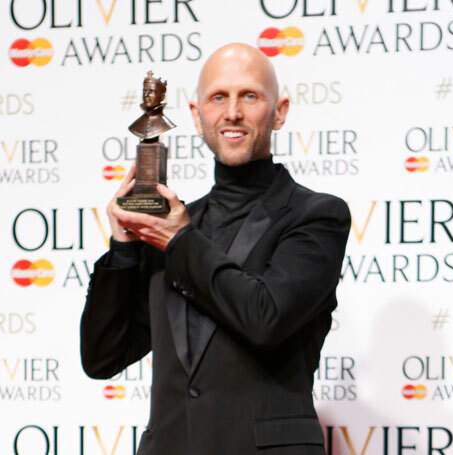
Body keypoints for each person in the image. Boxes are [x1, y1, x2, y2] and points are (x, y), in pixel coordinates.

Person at [80, 43, 350, 455]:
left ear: (279, 111)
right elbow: (102, 357)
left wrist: (179, 241)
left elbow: (265, 317)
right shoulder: (175, 226)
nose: (233, 113)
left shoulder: (317, 216)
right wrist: (123, 247)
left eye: (250, 96)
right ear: (195, 114)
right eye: (218, 97)